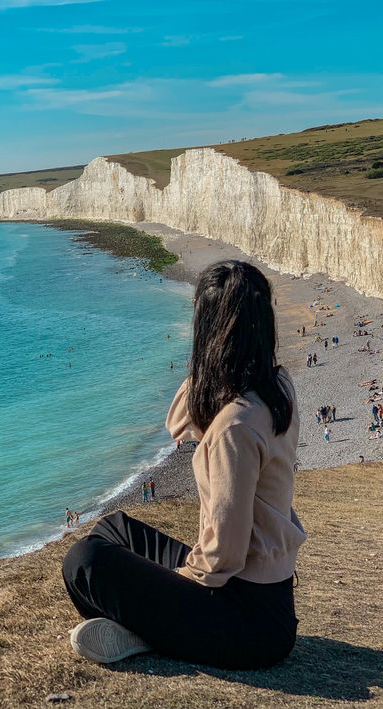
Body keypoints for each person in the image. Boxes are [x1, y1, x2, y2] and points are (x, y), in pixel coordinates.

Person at [62, 260, 305, 669]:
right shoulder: (277, 386)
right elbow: (179, 420)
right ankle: (155, 628)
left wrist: (176, 587)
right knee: (113, 528)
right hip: (265, 600)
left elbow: (224, 554)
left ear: (211, 330)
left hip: (247, 620)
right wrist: (215, 367)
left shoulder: (235, 426)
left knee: (84, 562)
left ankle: (151, 632)